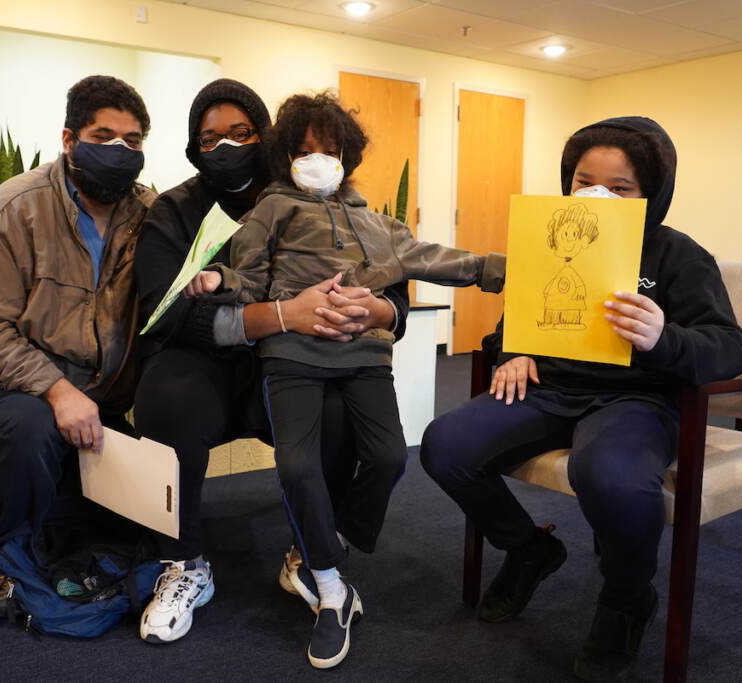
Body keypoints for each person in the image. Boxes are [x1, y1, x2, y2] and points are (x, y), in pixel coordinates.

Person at [419, 117, 742, 682]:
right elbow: (515, 321)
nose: (597, 195)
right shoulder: (550, 239)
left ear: (651, 193)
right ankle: (529, 550)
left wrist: (662, 338)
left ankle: (626, 598)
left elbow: (731, 348)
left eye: (620, 187)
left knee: (611, 476)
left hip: (635, 401)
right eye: (583, 181)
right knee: (444, 445)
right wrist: (512, 350)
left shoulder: (679, 256)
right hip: (549, 390)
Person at [186, 91, 505, 669]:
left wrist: (499, 268)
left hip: (365, 357)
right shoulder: (270, 210)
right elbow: (249, 278)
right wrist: (217, 280)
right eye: (304, 150)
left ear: (346, 155)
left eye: (329, 150)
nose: (317, 159)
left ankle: (325, 544)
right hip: (290, 358)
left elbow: (433, 257)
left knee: (388, 458)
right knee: (298, 466)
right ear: (285, 155)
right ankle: (330, 588)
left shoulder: (377, 221)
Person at [133, 79, 411, 646]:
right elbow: (163, 313)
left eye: (241, 133)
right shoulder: (175, 210)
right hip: (211, 358)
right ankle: (184, 564)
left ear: (268, 139)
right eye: (209, 138)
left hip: (295, 362)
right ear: (192, 145)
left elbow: (389, 287)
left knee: (339, 414)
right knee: (165, 401)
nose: (227, 147)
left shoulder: (323, 199)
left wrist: (377, 310)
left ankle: (311, 548)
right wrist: (278, 316)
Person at [0, 75, 156, 619]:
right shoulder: (10, 210)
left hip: (94, 388)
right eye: (103, 136)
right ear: (68, 139)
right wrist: (56, 391)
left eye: (132, 142)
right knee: (31, 426)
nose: (119, 152)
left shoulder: (149, 214)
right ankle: (3, 564)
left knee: (134, 515)